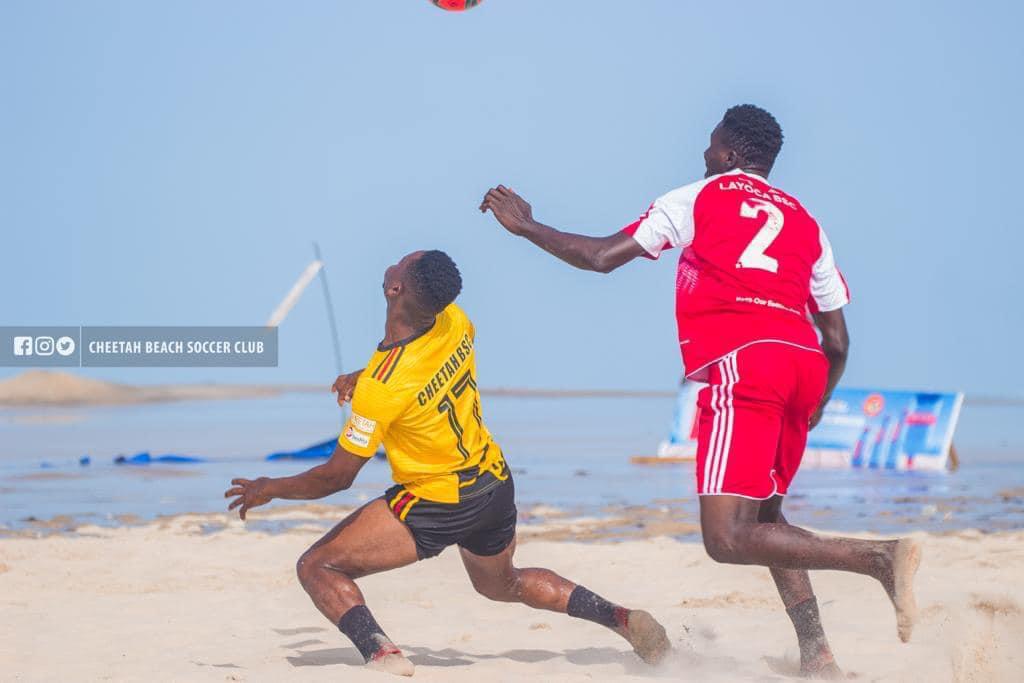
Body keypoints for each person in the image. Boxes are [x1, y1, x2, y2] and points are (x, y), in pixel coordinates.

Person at [480, 105, 920, 677]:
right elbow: (836, 338)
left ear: (732, 155)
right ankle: (817, 655)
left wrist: (527, 227)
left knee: (726, 538)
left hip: (745, 365)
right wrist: (819, 400)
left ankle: (879, 559)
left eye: (711, 146)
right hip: (803, 366)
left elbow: (600, 258)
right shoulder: (807, 220)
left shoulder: (700, 195)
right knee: (767, 521)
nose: (704, 154)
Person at [224, 250, 671, 677]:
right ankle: (621, 618)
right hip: (494, 483)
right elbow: (416, 367)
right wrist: (364, 377)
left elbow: (338, 476)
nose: (394, 259)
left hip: (437, 501)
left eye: (401, 260)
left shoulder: (381, 387)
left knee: (317, 565)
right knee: (502, 584)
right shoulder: (455, 322)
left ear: (395, 286)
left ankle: (383, 655)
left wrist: (270, 486)